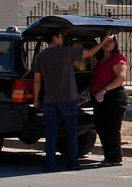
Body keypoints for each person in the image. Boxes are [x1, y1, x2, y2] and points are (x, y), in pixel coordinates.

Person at [32, 30, 108, 171]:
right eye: (61, 36)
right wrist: (103, 42)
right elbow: (89, 53)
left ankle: (49, 164)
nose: (62, 39)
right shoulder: (66, 52)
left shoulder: (40, 56)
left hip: (49, 99)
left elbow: (37, 80)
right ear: (55, 38)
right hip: (68, 98)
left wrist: (36, 99)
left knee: (51, 133)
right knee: (71, 132)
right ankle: (73, 162)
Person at [88, 34, 127, 166]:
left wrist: (105, 89)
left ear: (115, 44)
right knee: (101, 127)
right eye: (105, 41)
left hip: (114, 97)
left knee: (111, 128)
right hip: (99, 99)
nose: (107, 44)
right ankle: (108, 157)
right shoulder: (101, 59)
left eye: (110, 41)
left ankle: (115, 158)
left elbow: (120, 78)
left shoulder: (117, 58)